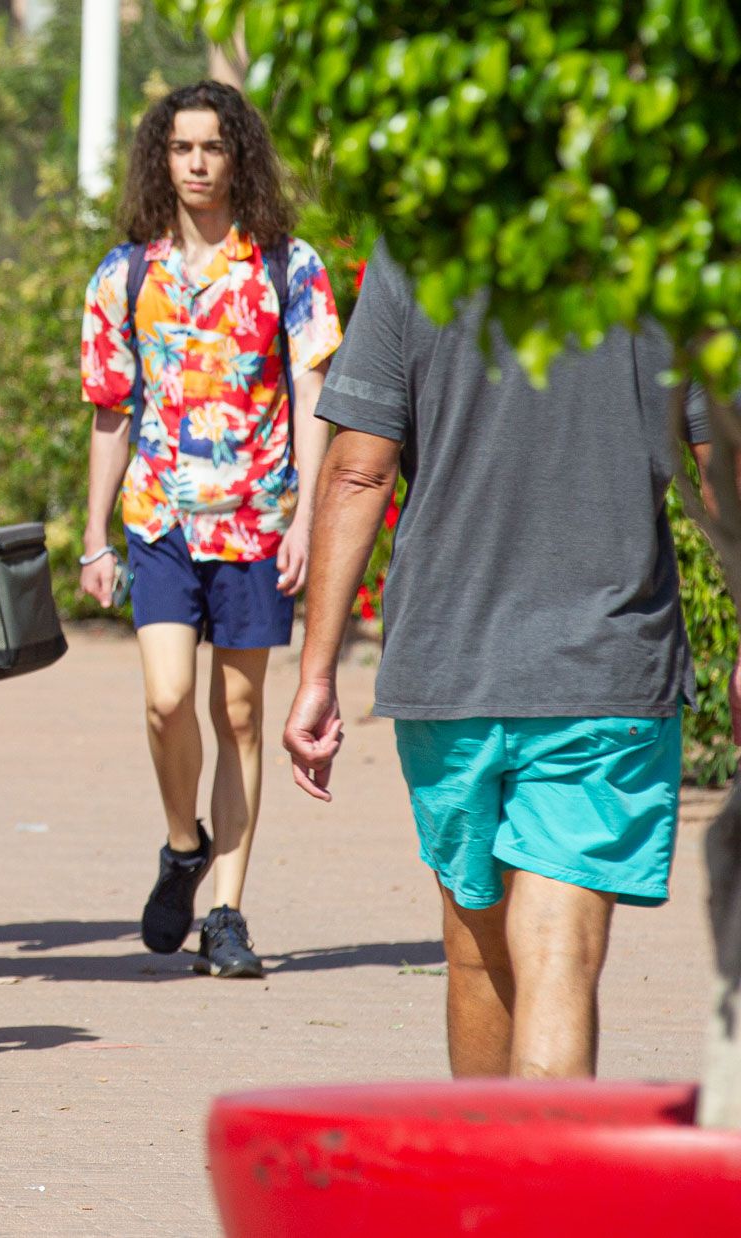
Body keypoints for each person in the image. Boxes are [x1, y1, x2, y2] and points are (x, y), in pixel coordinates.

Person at [284, 242, 729, 1079]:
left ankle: (488, 1196)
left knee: (476, 950)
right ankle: (549, 1196)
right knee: (557, 952)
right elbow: (719, 471)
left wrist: (317, 673)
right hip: (606, 663)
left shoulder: (417, 248)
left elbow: (356, 470)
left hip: (450, 665)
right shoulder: (660, 244)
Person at [78, 81, 341, 979]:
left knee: (239, 712)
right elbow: (110, 410)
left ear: (239, 159)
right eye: (180, 148)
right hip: (158, 520)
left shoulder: (288, 266)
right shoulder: (126, 272)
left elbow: (314, 395)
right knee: (164, 699)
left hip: (259, 518)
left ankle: (225, 910)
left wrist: (305, 515)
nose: (195, 163)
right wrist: (92, 538)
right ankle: (182, 840)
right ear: (162, 157)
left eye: (212, 148)